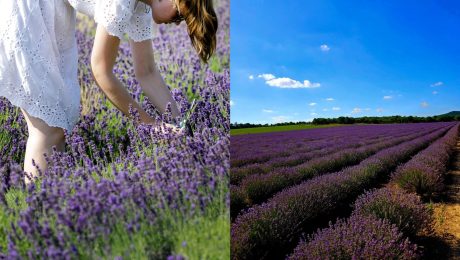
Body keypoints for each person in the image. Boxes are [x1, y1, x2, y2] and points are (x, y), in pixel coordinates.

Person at [0, 0, 218, 183]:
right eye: (179, 14)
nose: (175, 22)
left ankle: (49, 217)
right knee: (47, 129)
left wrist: (183, 127)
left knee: (58, 125)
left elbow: (147, 72)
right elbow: (101, 69)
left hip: (53, 15)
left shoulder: (142, 5)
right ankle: (38, 215)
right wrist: (150, 126)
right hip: (29, 11)